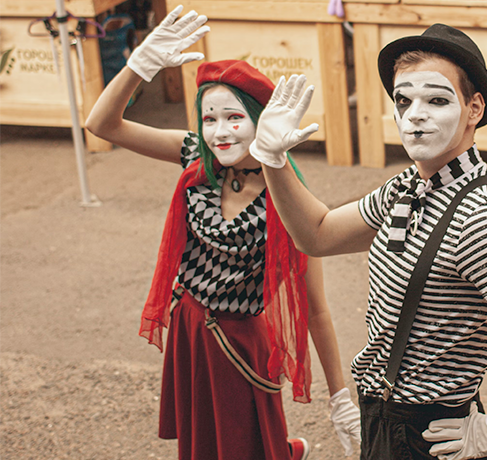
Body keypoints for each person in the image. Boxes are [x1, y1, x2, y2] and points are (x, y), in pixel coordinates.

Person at [247, 23, 487, 460]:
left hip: (426, 433)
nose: (414, 114)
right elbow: (316, 234)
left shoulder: (480, 217)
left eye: (436, 99)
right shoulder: (408, 187)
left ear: (474, 109)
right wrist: (272, 160)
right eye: (403, 100)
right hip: (387, 421)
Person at [85, 6, 360, 460]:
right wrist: (139, 66)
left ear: (262, 120)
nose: (219, 132)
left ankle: (287, 450)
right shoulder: (196, 157)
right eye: (209, 118)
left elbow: (316, 310)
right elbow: (102, 124)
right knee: (205, 443)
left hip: (242, 342)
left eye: (233, 117)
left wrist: (340, 396)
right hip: (192, 327)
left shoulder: (287, 198)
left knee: (245, 444)